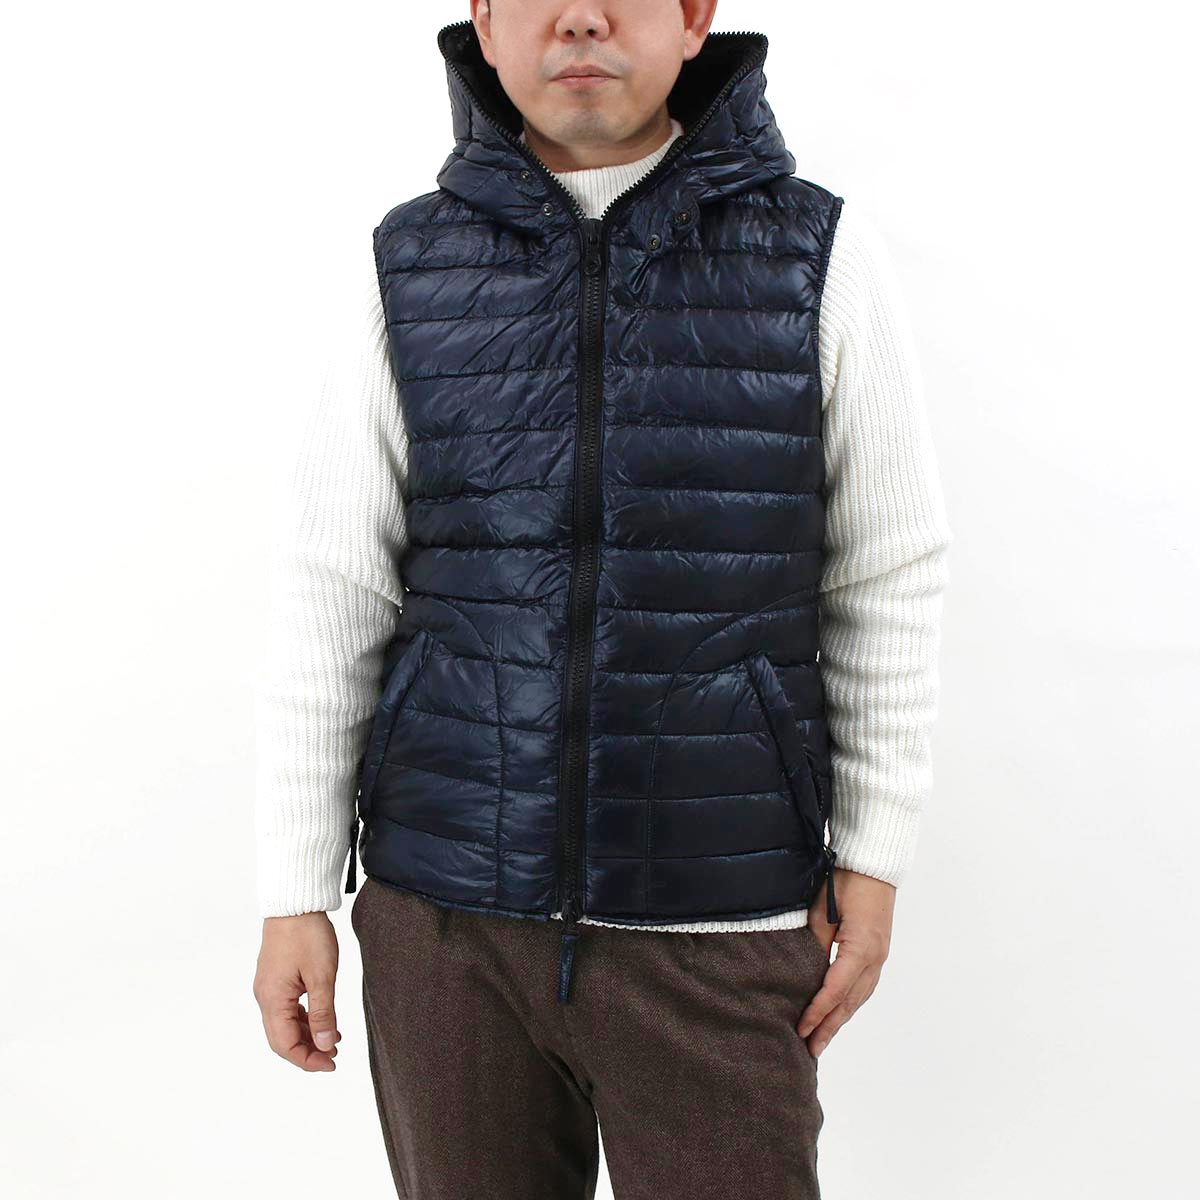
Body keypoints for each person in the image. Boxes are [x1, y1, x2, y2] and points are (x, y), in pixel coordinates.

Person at [253, 3, 953, 1197]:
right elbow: (334, 587)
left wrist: (876, 858)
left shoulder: (816, 254)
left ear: (694, 17)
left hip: (716, 923)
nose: (580, 15)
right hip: (447, 925)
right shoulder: (406, 265)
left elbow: (886, 571)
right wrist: (294, 890)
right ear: (485, 19)